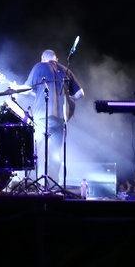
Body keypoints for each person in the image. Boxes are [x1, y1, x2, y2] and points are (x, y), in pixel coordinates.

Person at [23, 49, 84, 178]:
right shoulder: (65, 70)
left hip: (42, 117)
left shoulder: (39, 67)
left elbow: (27, 90)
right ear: (56, 59)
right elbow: (80, 93)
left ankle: (35, 182)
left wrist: (15, 88)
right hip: (61, 119)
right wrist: (69, 100)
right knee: (55, 154)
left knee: (36, 150)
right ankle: (53, 184)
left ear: (42, 58)